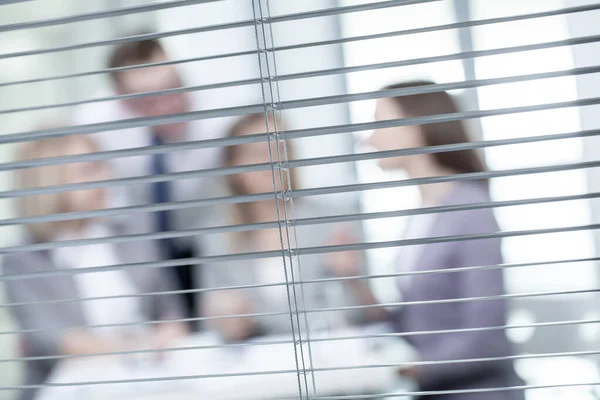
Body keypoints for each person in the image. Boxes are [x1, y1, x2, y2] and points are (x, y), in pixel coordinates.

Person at [328, 81, 525, 399]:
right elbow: (414, 324)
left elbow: (484, 334)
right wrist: (353, 279)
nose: (368, 138)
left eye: (379, 123)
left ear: (415, 128)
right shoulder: (420, 215)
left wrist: (408, 369)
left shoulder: (470, 209)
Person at [4, 134, 188, 400]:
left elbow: (170, 312)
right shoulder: (23, 261)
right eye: (87, 170)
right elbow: (57, 342)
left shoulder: (134, 232)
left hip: (146, 380)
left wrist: (169, 332)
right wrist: (139, 347)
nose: (103, 179)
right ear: (49, 183)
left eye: (102, 166)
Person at [73, 37, 229, 327]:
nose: (169, 105)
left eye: (173, 87)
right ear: (123, 100)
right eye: (148, 100)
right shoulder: (96, 126)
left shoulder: (222, 114)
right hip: (140, 252)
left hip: (206, 243)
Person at [199, 112, 361, 342]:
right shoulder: (216, 238)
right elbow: (211, 321)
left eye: (279, 149)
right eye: (258, 153)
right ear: (232, 166)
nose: (272, 161)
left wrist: (352, 278)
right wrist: (227, 321)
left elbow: (367, 313)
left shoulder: (333, 221)